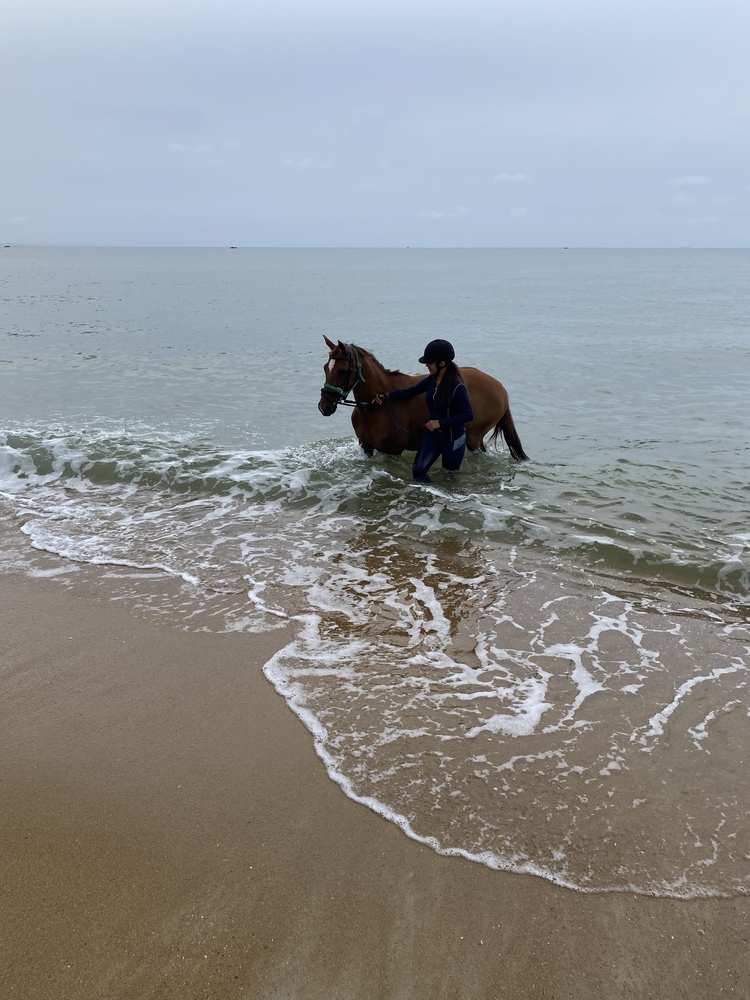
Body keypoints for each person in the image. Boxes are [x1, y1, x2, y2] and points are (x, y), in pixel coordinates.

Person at [373, 339, 474, 480]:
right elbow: (411, 392)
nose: (426, 365)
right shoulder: (431, 380)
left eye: (430, 362)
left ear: (442, 363)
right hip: (433, 437)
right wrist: (387, 396)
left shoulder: (457, 387)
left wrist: (440, 422)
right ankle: (428, 497)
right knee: (418, 471)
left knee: (449, 477)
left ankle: (447, 501)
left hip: (453, 439)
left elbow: (468, 415)